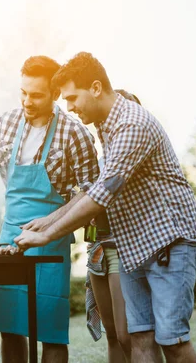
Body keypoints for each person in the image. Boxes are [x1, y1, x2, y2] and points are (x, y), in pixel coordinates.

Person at [15, 52, 196, 363]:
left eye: (73, 98)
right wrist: (48, 221)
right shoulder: (105, 124)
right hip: (133, 245)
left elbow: (101, 195)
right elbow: (94, 187)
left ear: (96, 87)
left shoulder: (132, 123)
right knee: (139, 338)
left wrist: (47, 237)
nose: (70, 107)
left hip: (169, 242)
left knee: (172, 342)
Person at [0, 56, 100, 363]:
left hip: (52, 239)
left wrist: (55, 225)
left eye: (36, 95)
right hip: (11, 239)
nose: (27, 100)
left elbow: (90, 192)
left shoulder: (74, 133)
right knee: (11, 327)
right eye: (23, 92)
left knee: (50, 331)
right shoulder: (6, 124)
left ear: (54, 94)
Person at [84, 89, 140, 363]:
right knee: (112, 334)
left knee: (127, 334)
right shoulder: (101, 160)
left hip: (122, 249)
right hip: (98, 250)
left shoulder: (134, 152)